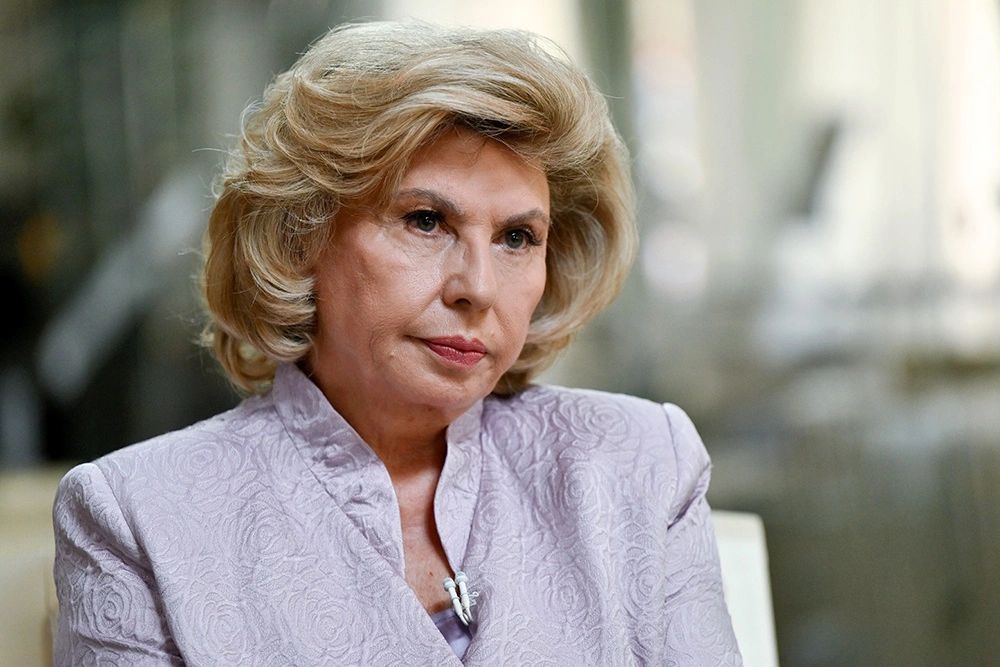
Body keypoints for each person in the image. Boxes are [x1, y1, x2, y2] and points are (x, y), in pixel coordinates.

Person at [52, 21, 742, 665]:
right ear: (300, 236)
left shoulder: (642, 463)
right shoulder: (137, 517)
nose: (478, 287)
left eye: (517, 237)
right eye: (426, 221)